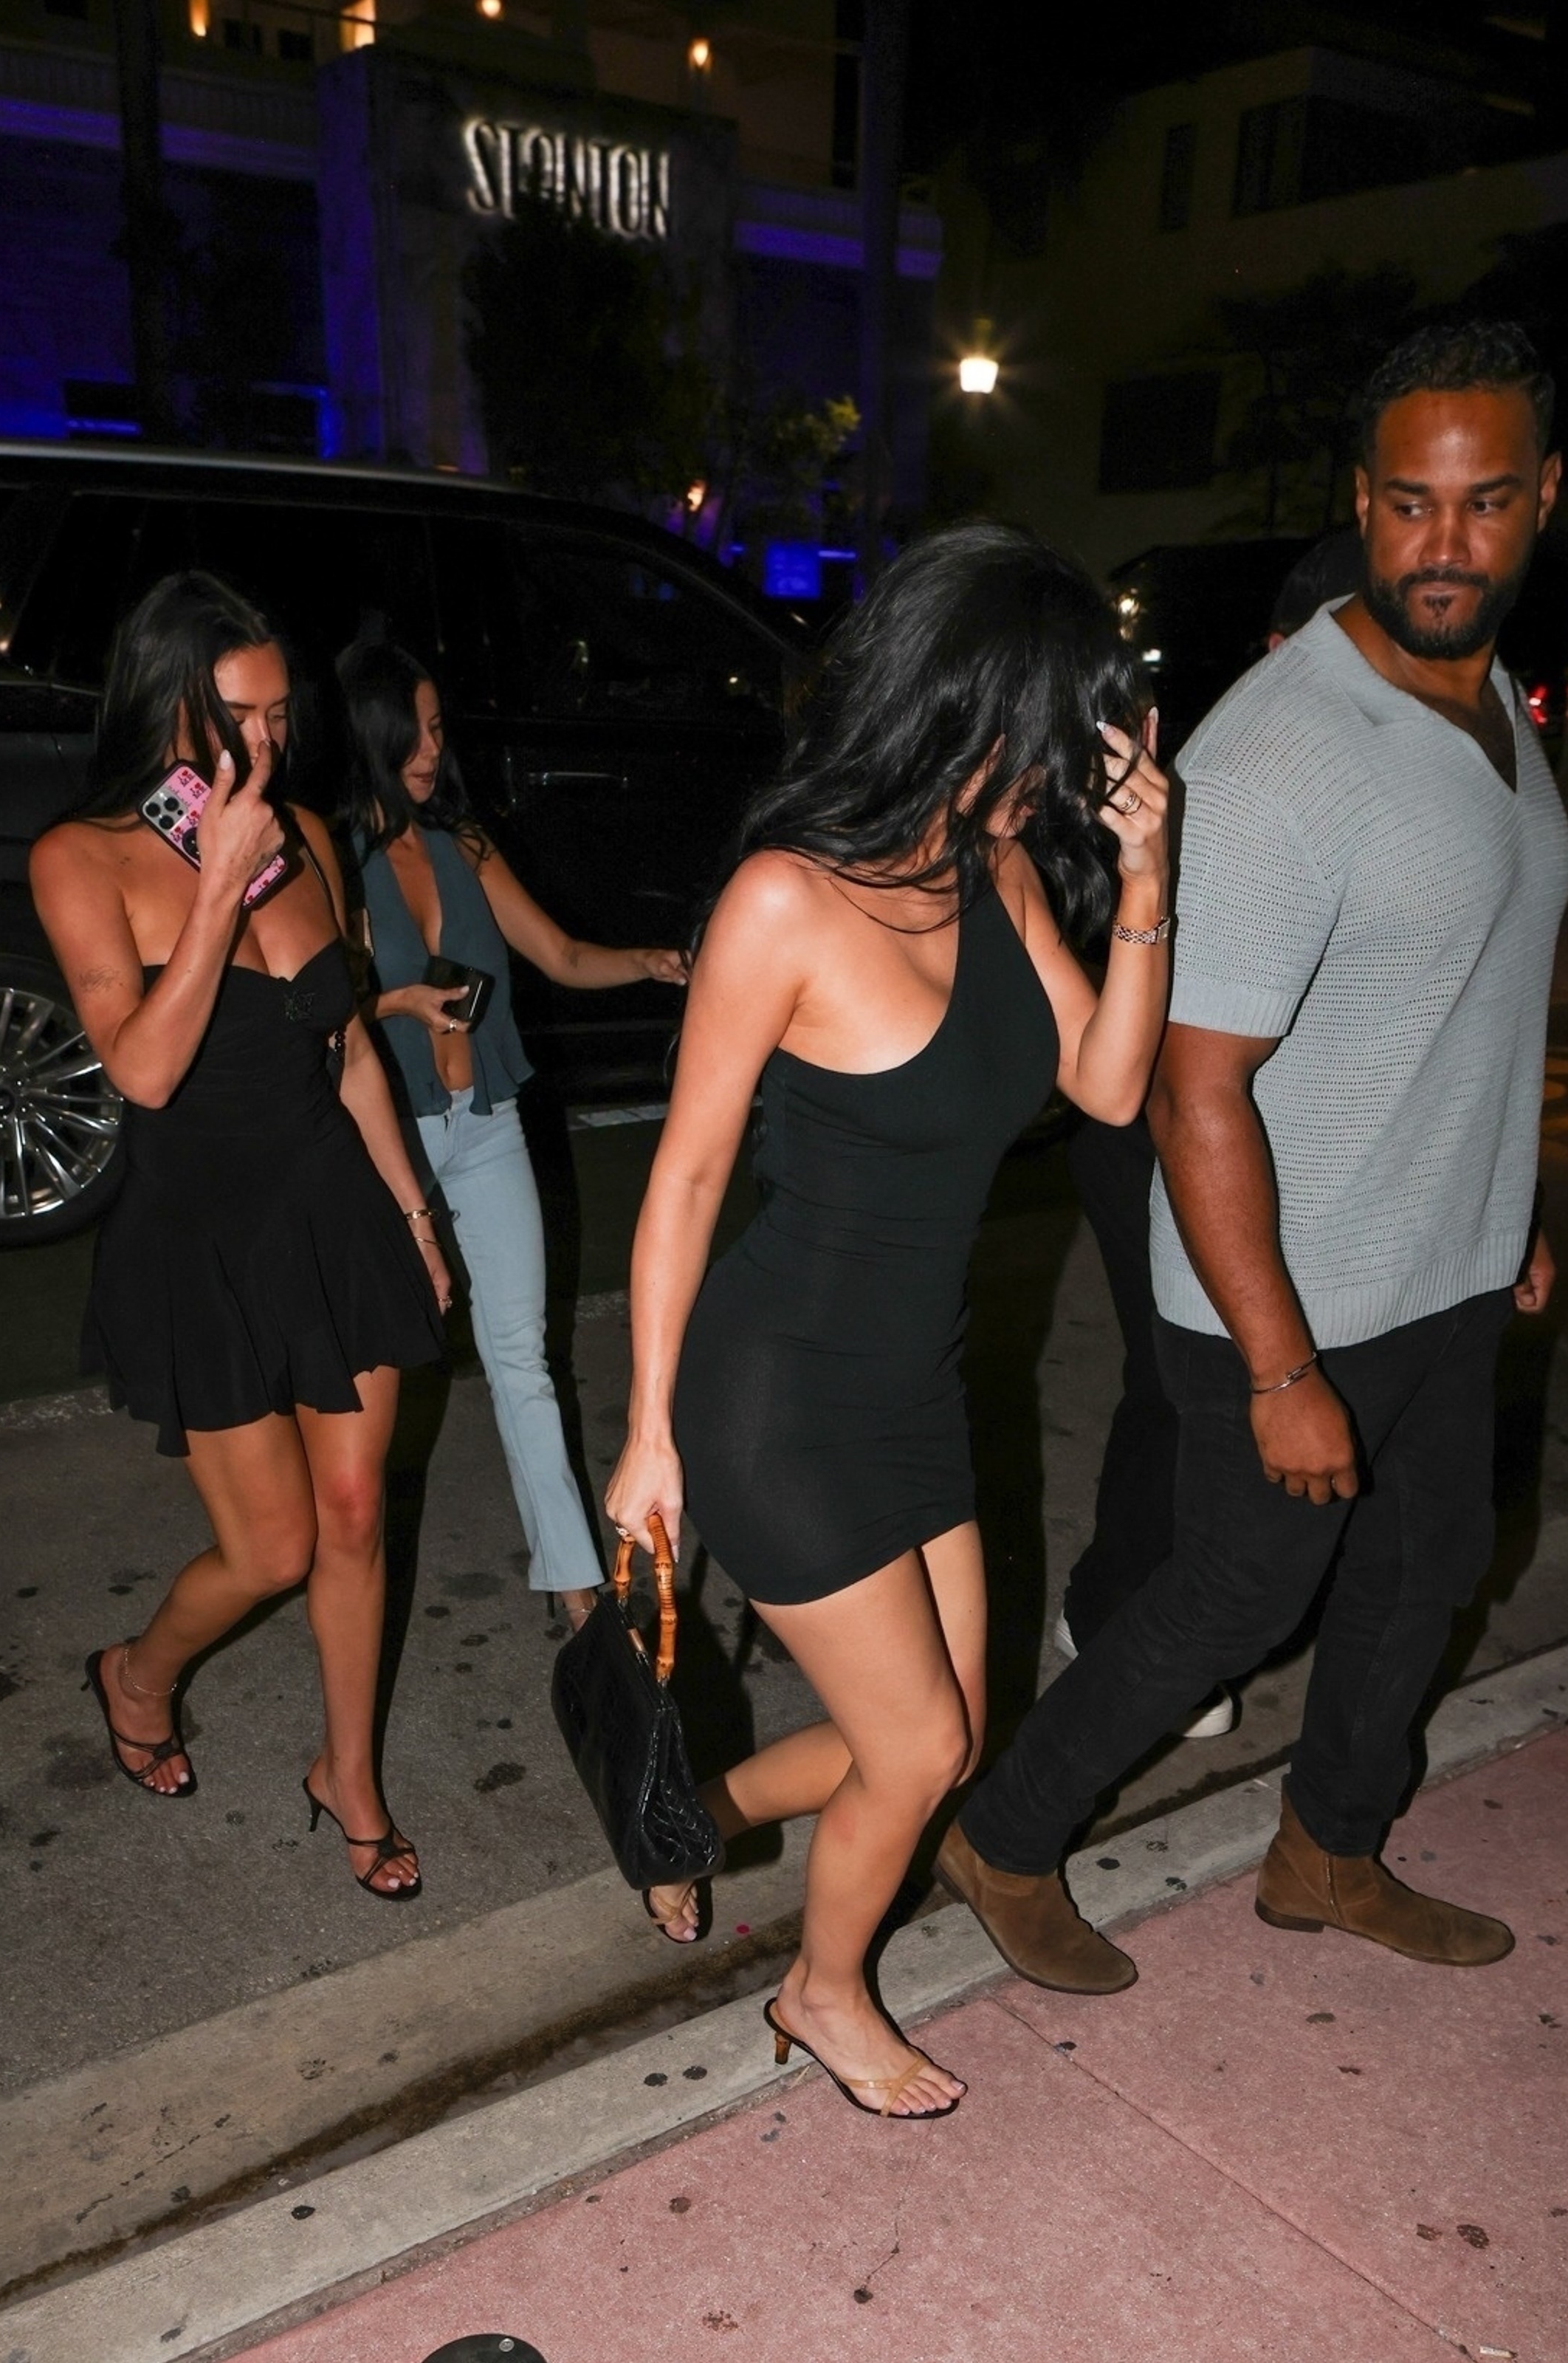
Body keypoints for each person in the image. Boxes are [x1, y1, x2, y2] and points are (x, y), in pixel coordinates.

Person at [939, 321, 1568, 1985]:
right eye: (1411, 504)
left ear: (1543, 498)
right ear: (1361, 501)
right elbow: (1192, 1092)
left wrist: (1506, 1204)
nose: (1445, 544)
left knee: (1428, 1567)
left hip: (1446, 1264)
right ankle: (1005, 1835)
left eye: (1485, 502)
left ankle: (1328, 1853)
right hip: (1293, 1287)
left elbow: (1475, 984)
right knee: (1235, 1593)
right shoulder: (1285, 754)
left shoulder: (1495, 701)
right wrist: (1281, 1369)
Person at [605, 522, 1171, 2117]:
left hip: (913, 1387)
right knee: (915, 1750)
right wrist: (647, 1432)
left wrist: (1147, 878)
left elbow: (1108, 1082)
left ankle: (689, 1814)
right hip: (773, 1398)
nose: (1075, 764)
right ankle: (822, 1988)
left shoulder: (996, 872)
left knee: (945, 1733)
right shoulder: (784, 900)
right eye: (1061, 725)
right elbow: (686, 1173)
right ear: (977, 703)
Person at [30, 573, 449, 1899]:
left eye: (278, 715)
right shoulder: (80, 858)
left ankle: (349, 1778)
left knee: (355, 1515)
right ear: (164, 704)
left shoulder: (309, 834)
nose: (265, 743)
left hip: (331, 1210)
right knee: (270, 1549)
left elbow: (349, 1050)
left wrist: (414, 1214)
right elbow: (143, 1073)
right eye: (237, 717)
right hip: (201, 1235)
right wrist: (215, 889)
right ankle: (136, 1673)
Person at [1055, 527, 1366, 1746]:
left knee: (1220, 1367)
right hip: (1146, 1109)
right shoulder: (1222, 774)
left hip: (1254, 1120)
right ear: (1285, 649)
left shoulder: (1384, 771)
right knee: (1179, 1368)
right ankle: (1108, 1608)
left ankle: (1170, 1596)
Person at [337, 640, 685, 1630]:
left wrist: (649, 962)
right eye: (412, 732)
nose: (430, 750)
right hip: (391, 1140)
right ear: (369, 736)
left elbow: (562, 955)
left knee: (521, 1358)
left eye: (437, 729)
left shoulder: (465, 843)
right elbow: (318, 1012)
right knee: (372, 1371)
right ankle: (331, 1552)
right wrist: (398, 1003)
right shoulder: (333, 859)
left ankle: (576, 1592)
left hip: (484, 1123)